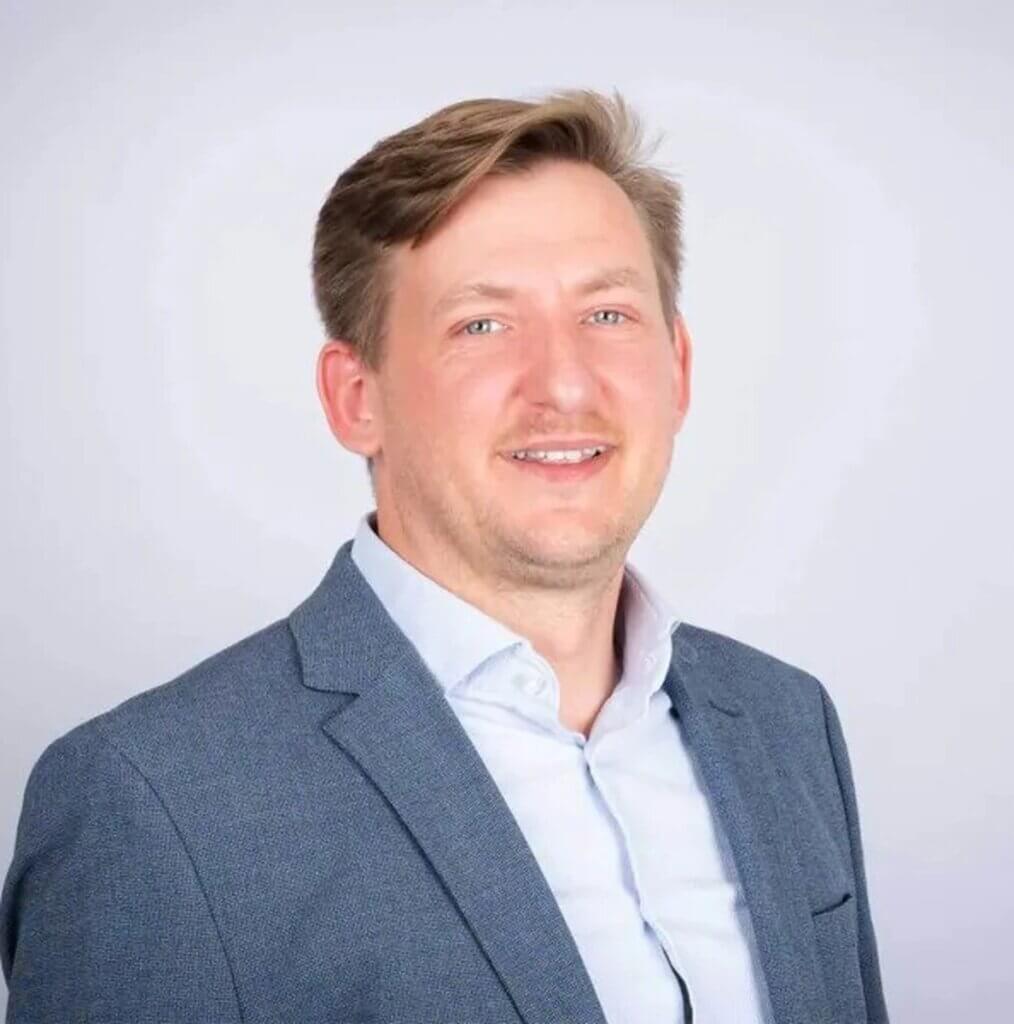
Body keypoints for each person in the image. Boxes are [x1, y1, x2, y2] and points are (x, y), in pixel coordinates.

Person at [0, 90, 888, 1024]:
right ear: (356, 398)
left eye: (608, 314)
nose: (565, 384)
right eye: (482, 325)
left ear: (679, 368)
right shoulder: (152, 804)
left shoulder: (787, 726)